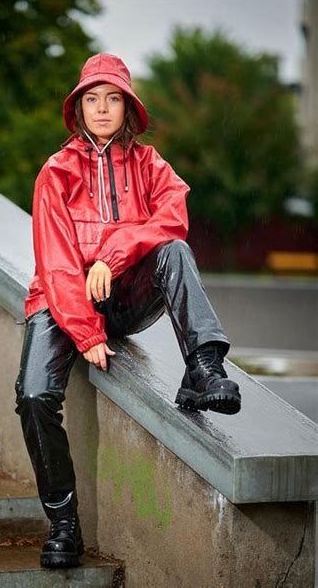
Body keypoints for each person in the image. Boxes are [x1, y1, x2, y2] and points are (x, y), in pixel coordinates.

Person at [14, 52, 241, 569]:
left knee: (175, 251)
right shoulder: (57, 171)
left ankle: (204, 369)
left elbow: (173, 217)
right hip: (62, 296)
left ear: (128, 108)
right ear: (78, 109)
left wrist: (114, 257)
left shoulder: (149, 164)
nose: (101, 108)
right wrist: (86, 332)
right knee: (32, 395)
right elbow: (56, 262)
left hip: (127, 292)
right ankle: (64, 524)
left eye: (111, 99)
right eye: (91, 99)